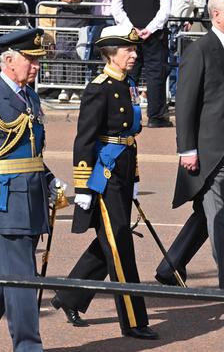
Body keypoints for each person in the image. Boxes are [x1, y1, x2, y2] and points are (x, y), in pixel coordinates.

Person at [49, 25, 159, 340]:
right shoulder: (99, 88)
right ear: (111, 53)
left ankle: (69, 296)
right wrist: (82, 186)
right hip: (103, 174)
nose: (134, 55)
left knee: (110, 239)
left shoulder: (130, 85)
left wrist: (134, 177)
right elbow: (84, 141)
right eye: (129, 50)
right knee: (120, 242)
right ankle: (134, 319)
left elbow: (129, 139)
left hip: (123, 169)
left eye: (135, 50)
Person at [154, 0, 224, 306]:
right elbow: (185, 103)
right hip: (211, 148)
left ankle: (169, 266)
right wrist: (186, 148)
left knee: (208, 213)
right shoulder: (201, 50)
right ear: (216, 15)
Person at [0, 28, 63, 352]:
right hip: (5, 202)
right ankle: (28, 346)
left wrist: (48, 179)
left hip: (31, 197)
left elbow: (28, 150)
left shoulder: (29, 96)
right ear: (8, 61)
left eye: (37, 60)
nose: (36, 66)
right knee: (23, 280)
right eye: (30, 60)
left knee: (13, 269)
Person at [112, 0, 173, 128]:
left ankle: (127, 113)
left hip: (130, 35)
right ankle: (155, 116)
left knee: (129, 75)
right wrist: (150, 29)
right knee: (155, 75)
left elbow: (115, 8)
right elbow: (165, 10)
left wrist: (131, 28)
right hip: (154, 36)